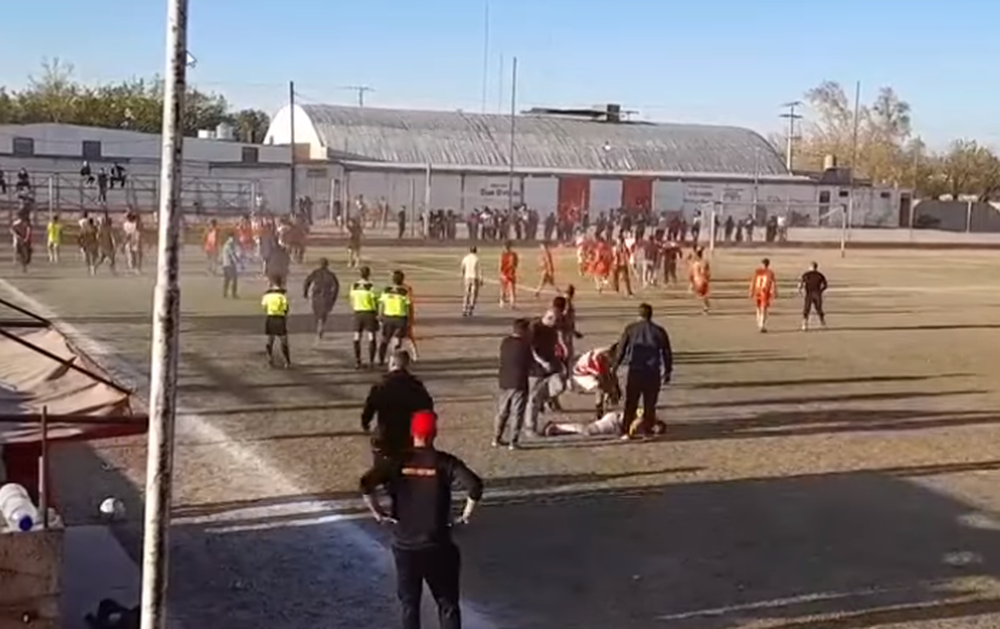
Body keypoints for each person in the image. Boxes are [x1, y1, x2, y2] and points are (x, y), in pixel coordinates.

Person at [360, 410, 483, 629]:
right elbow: (474, 485)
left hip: (405, 546)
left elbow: (366, 483)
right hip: (438, 544)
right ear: (434, 432)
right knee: (447, 605)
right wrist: (465, 515)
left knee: (410, 605)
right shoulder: (445, 462)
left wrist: (378, 513)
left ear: (412, 432)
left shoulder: (397, 461)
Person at [360, 350, 434, 463]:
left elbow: (369, 407)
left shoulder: (381, 386)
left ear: (392, 364)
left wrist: (365, 423)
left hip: (386, 436)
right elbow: (428, 410)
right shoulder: (416, 387)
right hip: (408, 437)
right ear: (407, 365)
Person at [614, 303, 673, 439]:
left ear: (638, 315)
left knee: (631, 402)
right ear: (651, 315)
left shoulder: (631, 329)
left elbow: (621, 349)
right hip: (652, 372)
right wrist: (668, 370)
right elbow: (666, 352)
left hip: (636, 370)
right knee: (650, 403)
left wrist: (615, 366)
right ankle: (647, 430)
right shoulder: (659, 331)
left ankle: (625, 430)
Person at [525, 308, 565, 436]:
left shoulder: (553, 329)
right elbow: (530, 348)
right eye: (554, 319)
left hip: (551, 365)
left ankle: (546, 399)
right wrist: (542, 362)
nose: (556, 322)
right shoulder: (535, 328)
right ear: (548, 317)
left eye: (558, 320)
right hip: (535, 368)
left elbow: (555, 345)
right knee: (533, 399)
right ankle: (530, 427)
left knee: (560, 386)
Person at [494, 317, 532, 450]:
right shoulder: (525, 345)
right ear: (525, 331)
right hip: (519, 382)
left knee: (502, 411)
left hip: (504, 380)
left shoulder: (505, 342)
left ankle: (496, 438)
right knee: (517, 413)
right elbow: (530, 363)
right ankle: (513, 441)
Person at [543, 408, 665, 439]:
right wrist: (629, 436)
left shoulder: (649, 417)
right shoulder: (647, 417)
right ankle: (556, 426)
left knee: (589, 430)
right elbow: (635, 425)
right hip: (615, 422)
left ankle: (560, 429)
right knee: (588, 430)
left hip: (616, 422)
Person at [571, 343, 621, 418]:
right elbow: (603, 379)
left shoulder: (607, 352)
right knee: (599, 387)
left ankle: (608, 401)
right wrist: (612, 392)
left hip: (592, 370)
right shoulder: (597, 360)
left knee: (608, 380)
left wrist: (617, 389)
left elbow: (611, 373)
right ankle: (599, 411)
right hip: (581, 374)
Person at [378, 270, 412, 366]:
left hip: (388, 317)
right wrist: (409, 320)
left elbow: (381, 303)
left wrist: (380, 315)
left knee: (384, 340)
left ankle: (381, 360)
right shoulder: (404, 292)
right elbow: (408, 306)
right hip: (400, 318)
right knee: (397, 341)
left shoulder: (386, 290)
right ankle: (394, 361)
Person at [303, 257, 340, 341]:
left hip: (316, 295)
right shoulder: (331, 275)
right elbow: (336, 286)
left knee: (316, 312)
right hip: (326, 296)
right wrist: (334, 297)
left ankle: (318, 326)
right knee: (324, 314)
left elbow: (307, 282)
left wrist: (305, 292)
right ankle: (321, 325)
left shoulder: (315, 273)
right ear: (327, 265)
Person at [349, 266, 380, 369]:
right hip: (369, 312)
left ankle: (357, 361)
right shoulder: (371, 287)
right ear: (369, 274)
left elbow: (351, 299)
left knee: (357, 337)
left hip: (358, 312)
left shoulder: (354, 285)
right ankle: (371, 361)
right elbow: (374, 300)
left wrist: (355, 307)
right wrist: (376, 312)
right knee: (371, 336)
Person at [261, 277, 291, 368]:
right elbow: (286, 309)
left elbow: (264, 307)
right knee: (284, 341)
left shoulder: (266, 296)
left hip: (270, 318)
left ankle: (270, 358)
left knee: (270, 340)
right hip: (280, 318)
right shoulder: (282, 296)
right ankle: (287, 361)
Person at [749, 257, 778, 332]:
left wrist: (751, 291)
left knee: (758, 308)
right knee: (763, 309)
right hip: (764, 292)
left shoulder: (757, 271)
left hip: (757, 291)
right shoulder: (770, 272)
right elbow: (773, 283)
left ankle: (759, 323)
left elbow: (753, 282)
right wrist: (774, 291)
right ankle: (761, 324)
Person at [799, 261, 828, 331]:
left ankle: (804, 324)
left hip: (809, 293)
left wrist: (800, 290)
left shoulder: (806, 274)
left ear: (811, 267)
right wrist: (821, 290)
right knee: (819, 308)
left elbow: (801, 284)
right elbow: (825, 285)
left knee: (806, 309)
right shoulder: (820, 275)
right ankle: (822, 322)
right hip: (817, 293)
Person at [460, 246, 481, 317]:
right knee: (473, 294)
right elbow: (479, 270)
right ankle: (470, 309)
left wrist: (463, 275)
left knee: (467, 293)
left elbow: (462, 267)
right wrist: (481, 279)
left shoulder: (466, 258)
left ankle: (464, 308)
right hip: (474, 277)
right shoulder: (476, 258)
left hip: (467, 277)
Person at [688, 247, 711, 313]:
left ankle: (706, 306)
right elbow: (708, 272)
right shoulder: (705, 262)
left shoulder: (694, 264)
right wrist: (707, 279)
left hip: (697, 281)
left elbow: (691, 274)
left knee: (701, 294)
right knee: (703, 295)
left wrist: (691, 284)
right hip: (703, 280)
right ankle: (706, 306)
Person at [498, 240, 519, 308]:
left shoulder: (503, 254)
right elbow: (515, 264)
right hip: (510, 273)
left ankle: (502, 302)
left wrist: (501, 273)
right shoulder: (513, 254)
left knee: (503, 289)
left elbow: (501, 264)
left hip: (505, 273)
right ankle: (512, 303)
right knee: (511, 289)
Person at [220, 233, 241, 299]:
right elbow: (232, 255)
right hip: (229, 265)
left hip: (225, 265)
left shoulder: (227, 245)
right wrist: (237, 261)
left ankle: (225, 293)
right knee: (234, 279)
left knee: (227, 280)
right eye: (233, 238)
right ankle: (233, 294)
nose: (234, 239)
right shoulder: (229, 245)